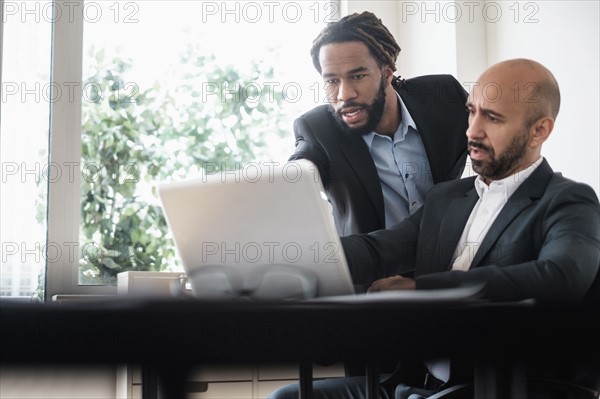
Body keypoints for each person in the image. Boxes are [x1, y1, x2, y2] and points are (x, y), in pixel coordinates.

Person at [268, 58, 600, 399]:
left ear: (539, 130)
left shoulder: (568, 200)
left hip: (492, 388)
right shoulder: (447, 198)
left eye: (493, 117)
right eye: (472, 112)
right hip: (412, 383)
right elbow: (380, 249)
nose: (472, 130)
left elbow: (562, 277)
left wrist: (426, 289)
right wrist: (295, 259)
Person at [289, 11, 469, 237]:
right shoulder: (317, 128)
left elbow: (499, 141)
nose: (345, 94)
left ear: (387, 73)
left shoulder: (443, 96)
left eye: (357, 76)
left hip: (451, 254)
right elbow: (299, 171)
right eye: (332, 81)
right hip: (376, 268)